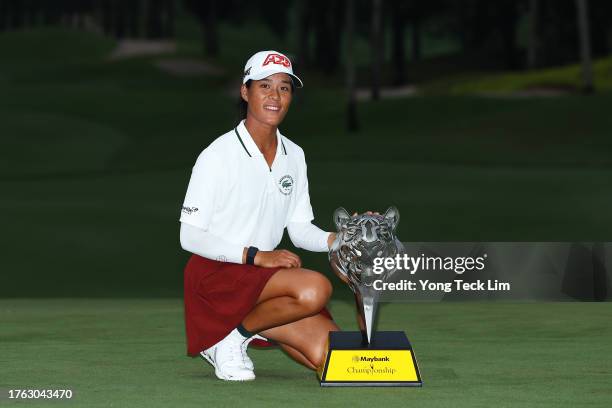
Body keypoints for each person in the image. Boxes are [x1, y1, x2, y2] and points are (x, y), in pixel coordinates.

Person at [179, 50, 340, 381]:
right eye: (264, 86)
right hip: (217, 276)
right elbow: (190, 236)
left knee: (333, 358)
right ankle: (231, 339)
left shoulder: (294, 155)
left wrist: (339, 240)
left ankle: (248, 326)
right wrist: (256, 255)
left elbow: (299, 229)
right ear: (245, 91)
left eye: (284, 88)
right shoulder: (217, 155)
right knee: (314, 290)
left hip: (263, 283)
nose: (275, 96)